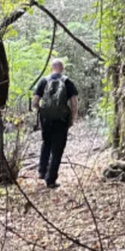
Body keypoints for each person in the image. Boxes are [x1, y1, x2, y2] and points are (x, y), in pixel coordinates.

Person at [33, 58, 79, 189]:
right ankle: (51, 179)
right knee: (57, 149)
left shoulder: (43, 81)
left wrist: (42, 112)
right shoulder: (67, 81)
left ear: (51, 68)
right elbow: (74, 103)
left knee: (46, 143)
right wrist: (73, 118)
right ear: (62, 69)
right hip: (61, 120)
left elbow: (35, 102)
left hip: (46, 120)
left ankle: (42, 171)